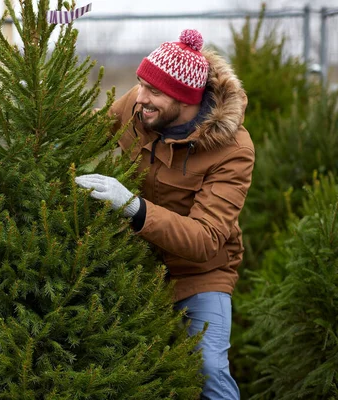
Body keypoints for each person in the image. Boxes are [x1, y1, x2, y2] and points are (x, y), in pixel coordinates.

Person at [75, 29, 254, 399]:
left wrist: (134, 207)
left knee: (206, 367)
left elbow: (205, 239)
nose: (140, 98)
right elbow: (84, 133)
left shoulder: (233, 150)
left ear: (186, 100)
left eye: (153, 91)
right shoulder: (139, 106)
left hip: (200, 274)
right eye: (140, 85)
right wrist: (37, 112)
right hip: (135, 263)